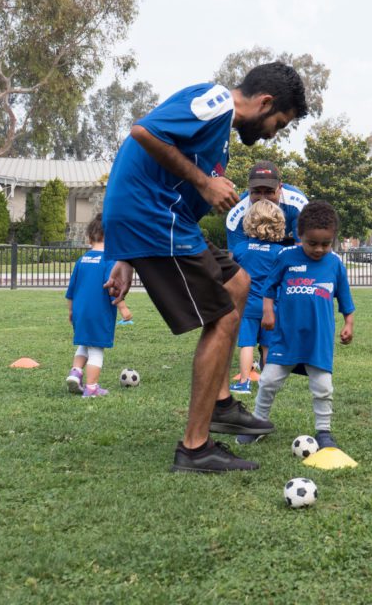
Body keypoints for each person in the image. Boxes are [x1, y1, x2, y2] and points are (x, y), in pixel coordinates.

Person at [101, 61, 308, 473]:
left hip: (164, 219)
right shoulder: (216, 103)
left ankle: (221, 404)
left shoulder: (219, 128)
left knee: (239, 283)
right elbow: (142, 132)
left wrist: (124, 256)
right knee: (226, 317)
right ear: (265, 102)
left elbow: (154, 169)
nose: (273, 133)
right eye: (278, 123)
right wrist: (203, 182)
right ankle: (195, 448)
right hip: (155, 219)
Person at [238, 200, 355, 449]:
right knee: (268, 381)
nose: (319, 249)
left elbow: (345, 298)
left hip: (318, 340)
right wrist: (268, 311)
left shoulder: (334, 264)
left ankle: (323, 431)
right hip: (285, 337)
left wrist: (349, 324)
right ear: (299, 235)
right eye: (312, 243)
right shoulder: (286, 256)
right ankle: (258, 423)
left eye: (326, 243)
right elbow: (269, 288)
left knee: (323, 387)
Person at [64, 215, 133, 398]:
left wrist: (71, 311)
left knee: (84, 345)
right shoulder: (110, 262)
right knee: (96, 350)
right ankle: (92, 388)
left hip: (80, 312)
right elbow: (114, 288)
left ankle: (76, 373)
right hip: (98, 313)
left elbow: (71, 290)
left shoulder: (81, 261)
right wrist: (124, 308)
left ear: (88, 239)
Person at [228, 200, 286, 395]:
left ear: (249, 222)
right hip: (272, 307)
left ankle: (244, 382)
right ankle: (268, 384)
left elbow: (231, 274)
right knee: (268, 345)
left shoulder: (241, 249)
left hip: (247, 306)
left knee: (247, 343)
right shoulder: (280, 253)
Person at [224, 160, 306, 249]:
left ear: (280, 187)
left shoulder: (298, 205)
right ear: (249, 188)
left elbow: (303, 250)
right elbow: (235, 257)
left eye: (269, 192)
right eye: (257, 192)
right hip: (253, 248)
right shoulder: (237, 214)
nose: (263, 199)